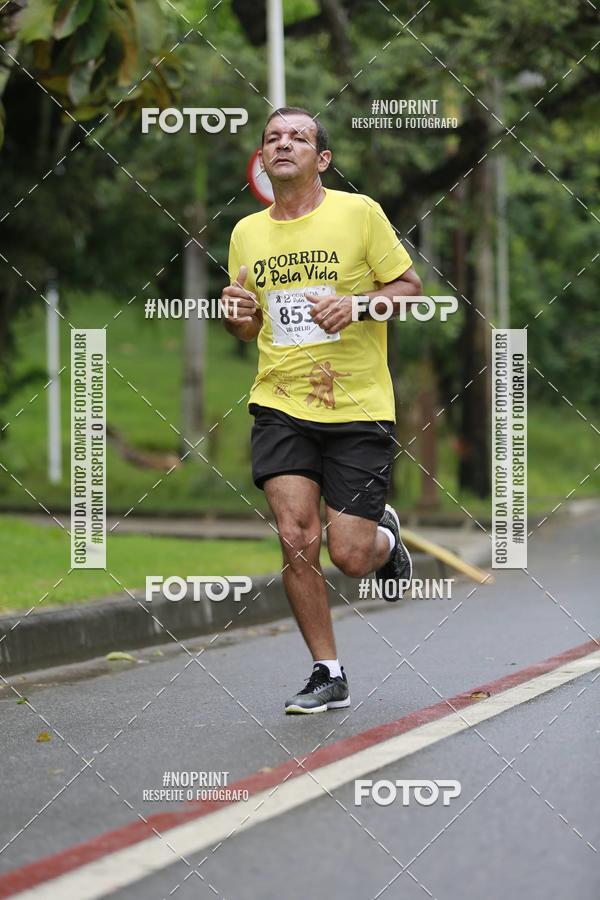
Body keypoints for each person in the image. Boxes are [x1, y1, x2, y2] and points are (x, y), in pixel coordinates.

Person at [221, 107, 422, 714]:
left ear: (322, 159)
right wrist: (239, 319)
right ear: (263, 158)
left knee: (351, 556)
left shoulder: (359, 214)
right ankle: (326, 671)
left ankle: (385, 538)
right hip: (280, 403)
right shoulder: (246, 233)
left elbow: (410, 292)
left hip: (357, 404)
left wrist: (358, 307)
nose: (284, 145)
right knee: (295, 535)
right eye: (273, 138)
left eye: (298, 137)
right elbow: (248, 321)